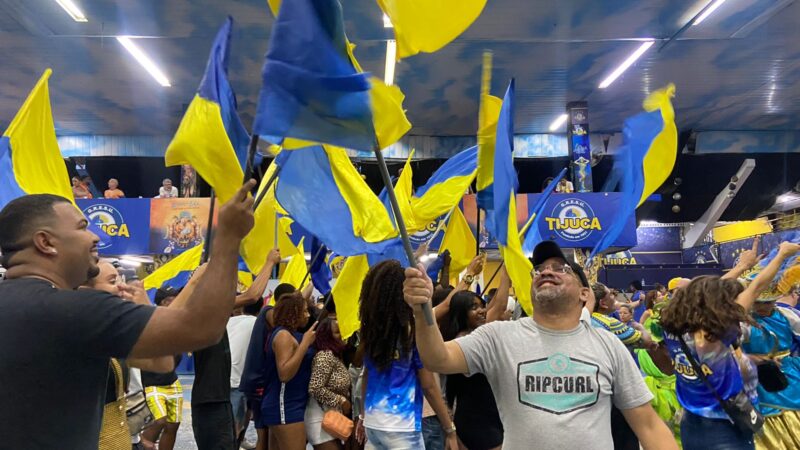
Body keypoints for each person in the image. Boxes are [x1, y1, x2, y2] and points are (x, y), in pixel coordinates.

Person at [0, 180, 256, 449]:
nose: (95, 237)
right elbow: (202, 328)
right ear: (45, 242)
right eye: (82, 227)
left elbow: (161, 361)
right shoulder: (74, 310)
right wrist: (227, 239)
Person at [403, 240, 678, 449]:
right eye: (540, 269)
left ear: (584, 293)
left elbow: (648, 424)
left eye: (561, 268)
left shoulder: (608, 344)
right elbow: (437, 358)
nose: (547, 271)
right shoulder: (499, 337)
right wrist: (421, 309)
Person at [660, 242, 800, 450]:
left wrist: (740, 267)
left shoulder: (673, 331)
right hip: (725, 424)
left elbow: (700, 298)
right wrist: (781, 254)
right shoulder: (717, 332)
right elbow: (757, 287)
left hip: (691, 422)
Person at [357, 260, 456, 450]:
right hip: (403, 427)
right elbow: (429, 387)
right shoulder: (412, 335)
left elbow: (366, 376)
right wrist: (449, 428)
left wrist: (362, 415)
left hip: (373, 424)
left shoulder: (373, 333)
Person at [192, 249, 280, 450]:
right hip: (212, 402)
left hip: (214, 398)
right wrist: (269, 263)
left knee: (231, 439)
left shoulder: (208, 309)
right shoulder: (205, 306)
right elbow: (252, 296)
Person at [83, 261, 175, 450]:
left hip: (122, 436)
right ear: (84, 289)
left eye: (120, 280)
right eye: (112, 281)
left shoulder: (111, 331)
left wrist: (145, 309)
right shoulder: (81, 331)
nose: (121, 287)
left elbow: (163, 363)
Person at [742, 279, 800, 449]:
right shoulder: (744, 322)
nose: (763, 307)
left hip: (788, 370)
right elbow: (731, 350)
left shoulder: (786, 315)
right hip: (758, 375)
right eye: (758, 302)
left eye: (767, 302)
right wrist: (754, 359)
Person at [442, 291, 503, 450]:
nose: (482, 310)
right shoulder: (462, 342)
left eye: (482, 306)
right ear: (461, 313)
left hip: (488, 415)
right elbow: (500, 306)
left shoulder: (477, 336)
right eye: (474, 307)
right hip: (477, 420)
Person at [240, 281, 295, 450]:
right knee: (263, 439)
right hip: (260, 385)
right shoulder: (268, 312)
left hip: (260, 384)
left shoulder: (267, 315)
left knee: (267, 438)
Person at [262, 292, 317, 450]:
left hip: (286, 405)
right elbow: (284, 374)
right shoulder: (283, 336)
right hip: (284, 405)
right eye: (304, 311)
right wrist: (305, 344)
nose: (307, 315)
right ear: (294, 313)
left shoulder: (286, 333)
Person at [140, 288, 184, 450]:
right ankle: (142, 444)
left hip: (171, 381)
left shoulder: (176, 324)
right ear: (165, 302)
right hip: (152, 383)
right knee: (160, 421)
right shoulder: (151, 320)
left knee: (173, 425)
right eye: (174, 299)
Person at [306, 318, 352, 450]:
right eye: (337, 332)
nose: (342, 335)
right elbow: (315, 388)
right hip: (319, 418)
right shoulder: (325, 356)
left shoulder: (336, 355)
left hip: (332, 417)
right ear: (327, 336)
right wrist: (341, 400)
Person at [228, 300, 261, 446]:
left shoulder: (230, 321)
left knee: (239, 415)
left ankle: (239, 439)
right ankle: (235, 441)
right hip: (238, 379)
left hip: (223, 375)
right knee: (234, 425)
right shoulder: (257, 323)